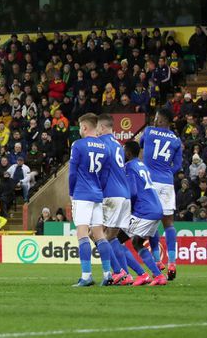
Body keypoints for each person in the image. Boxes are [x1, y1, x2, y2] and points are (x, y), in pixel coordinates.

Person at [68, 113, 114, 288]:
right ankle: (108, 274)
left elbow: (72, 173)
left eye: (80, 126)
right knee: (99, 234)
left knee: (81, 232)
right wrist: (99, 189)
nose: (80, 129)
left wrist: (72, 192)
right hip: (97, 194)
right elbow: (105, 174)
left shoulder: (78, 145)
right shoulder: (105, 147)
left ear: (85, 127)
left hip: (82, 193)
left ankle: (86, 275)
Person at [139, 109, 183, 280]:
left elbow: (141, 146)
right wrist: (165, 173)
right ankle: (172, 262)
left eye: (156, 118)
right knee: (169, 223)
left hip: (149, 181)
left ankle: (157, 261)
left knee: (150, 223)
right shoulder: (176, 140)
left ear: (161, 120)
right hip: (166, 182)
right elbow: (177, 166)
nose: (154, 120)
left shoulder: (149, 131)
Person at [121, 141, 167, 286]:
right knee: (137, 242)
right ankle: (158, 275)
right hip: (157, 208)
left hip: (144, 211)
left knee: (113, 239)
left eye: (123, 150)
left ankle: (139, 275)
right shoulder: (141, 165)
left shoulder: (129, 166)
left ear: (128, 153)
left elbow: (133, 192)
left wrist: (129, 208)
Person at [97, 114, 132, 286]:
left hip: (111, 194)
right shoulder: (118, 144)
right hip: (124, 195)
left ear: (102, 128)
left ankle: (119, 272)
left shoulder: (101, 143)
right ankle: (126, 274)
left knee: (95, 234)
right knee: (111, 237)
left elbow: (101, 171)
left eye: (97, 128)